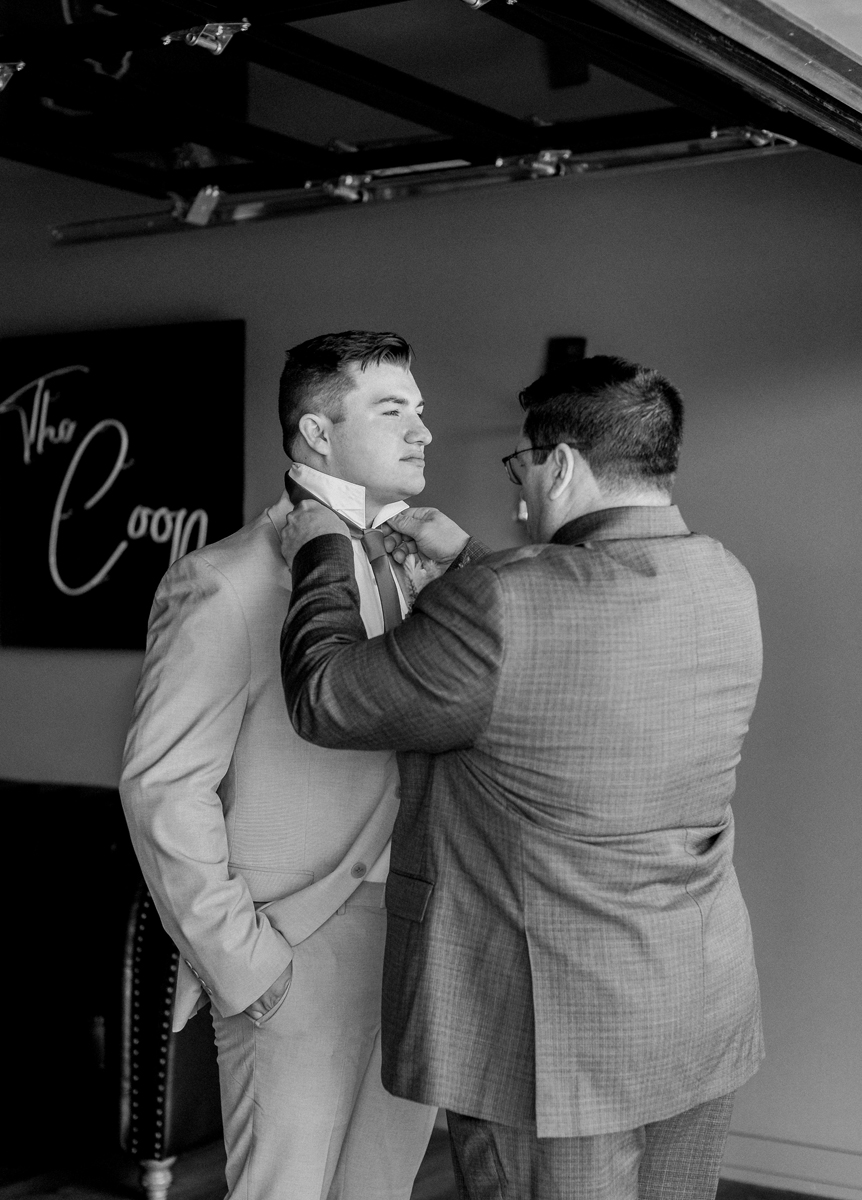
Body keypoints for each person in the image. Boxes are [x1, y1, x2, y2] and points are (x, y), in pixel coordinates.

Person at [279, 354, 765, 1200]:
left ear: (564, 464)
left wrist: (319, 545)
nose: (522, 493)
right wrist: (469, 559)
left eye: (525, 467)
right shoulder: (725, 580)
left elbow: (327, 697)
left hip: (556, 1042)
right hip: (698, 1009)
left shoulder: (507, 600)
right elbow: (571, 658)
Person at [120, 330, 476, 1200]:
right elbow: (162, 784)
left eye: (420, 411)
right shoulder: (228, 582)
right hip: (296, 949)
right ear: (318, 434)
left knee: (381, 1191)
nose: (423, 431)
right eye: (393, 411)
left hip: (424, 937)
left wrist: (462, 577)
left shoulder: (434, 575)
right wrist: (245, 964)